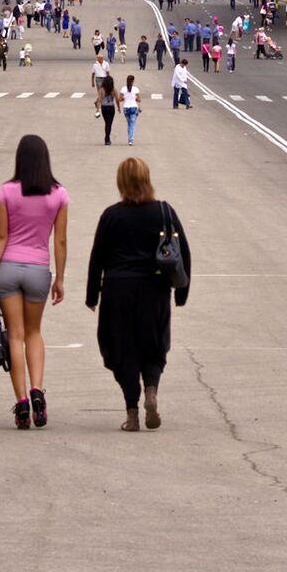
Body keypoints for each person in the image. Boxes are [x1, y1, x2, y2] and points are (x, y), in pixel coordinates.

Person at [86, 157, 191, 432]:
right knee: (153, 345)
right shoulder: (163, 212)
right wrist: (181, 294)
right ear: (147, 179)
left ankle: (132, 412)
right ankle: (152, 391)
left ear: (120, 182)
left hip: (117, 290)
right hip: (154, 289)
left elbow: (97, 257)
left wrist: (91, 297)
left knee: (122, 350)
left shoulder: (111, 215)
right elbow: (184, 253)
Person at [0, 135, 70, 430]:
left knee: (13, 335)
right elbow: (61, 240)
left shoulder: (7, 191)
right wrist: (60, 277)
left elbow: (0, 236)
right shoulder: (58, 194)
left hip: (7, 269)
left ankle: (20, 403)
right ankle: (37, 392)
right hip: (38, 269)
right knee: (33, 332)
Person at [94, 75, 118, 146]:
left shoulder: (102, 89)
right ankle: (107, 138)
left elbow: (99, 100)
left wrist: (97, 110)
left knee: (106, 123)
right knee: (109, 123)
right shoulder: (113, 89)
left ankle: (107, 138)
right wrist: (119, 107)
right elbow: (117, 99)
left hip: (104, 108)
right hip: (111, 107)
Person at [120, 74, 142, 146]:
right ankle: (130, 139)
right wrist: (134, 97)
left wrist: (125, 97)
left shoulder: (123, 89)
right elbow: (139, 100)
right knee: (132, 124)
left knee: (129, 124)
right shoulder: (136, 89)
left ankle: (130, 138)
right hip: (133, 107)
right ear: (133, 81)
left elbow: (120, 99)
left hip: (126, 108)